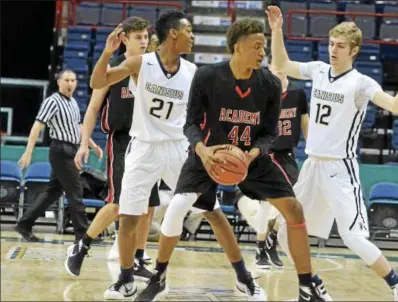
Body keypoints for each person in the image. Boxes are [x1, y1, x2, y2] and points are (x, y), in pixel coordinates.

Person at [137, 18, 330, 302]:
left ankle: (305, 287)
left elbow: (269, 133)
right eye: (257, 46)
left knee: (294, 210)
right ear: (237, 47)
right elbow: (190, 124)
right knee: (177, 206)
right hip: (210, 154)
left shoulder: (270, 84)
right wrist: (202, 151)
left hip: (251, 157)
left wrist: (253, 153)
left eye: (264, 46)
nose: (263, 52)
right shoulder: (207, 77)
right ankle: (159, 277)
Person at [267, 5, 398, 301]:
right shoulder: (319, 71)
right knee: (287, 230)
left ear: (354, 51)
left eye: (340, 46)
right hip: (312, 166)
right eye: (331, 44)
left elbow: (395, 106)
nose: (333, 50)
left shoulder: (361, 83)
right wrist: (276, 30)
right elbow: (282, 63)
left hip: (340, 169)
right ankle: (313, 286)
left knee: (353, 237)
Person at [89, 11, 197, 300]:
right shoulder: (140, 63)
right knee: (128, 216)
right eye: (188, 29)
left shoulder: (192, 72)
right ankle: (125, 279)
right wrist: (107, 52)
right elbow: (98, 82)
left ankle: (242, 275)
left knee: (207, 208)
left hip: (176, 146)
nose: (193, 34)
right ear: (172, 34)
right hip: (143, 145)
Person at [64, 17, 158, 281]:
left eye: (145, 37)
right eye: (137, 37)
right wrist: (84, 142)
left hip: (149, 142)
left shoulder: (153, 68)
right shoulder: (114, 67)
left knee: (148, 206)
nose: (143, 41)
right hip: (122, 141)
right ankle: (81, 247)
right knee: (119, 204)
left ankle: (139, 258)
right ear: (124, 38)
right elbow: (93, 107)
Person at [234, 62, 310, 269]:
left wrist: (311, 145)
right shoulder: (260, 92)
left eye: (280, 67)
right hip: (265, 153)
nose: (277, 72)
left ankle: (272, 237)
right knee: (266, 204)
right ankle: (260, 248)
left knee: (295, 201)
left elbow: (305, 123)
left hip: (287, 155)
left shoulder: (298, 94)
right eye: (274, 68)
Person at [13, 69, 102, 243]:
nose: (70, 83)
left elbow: (79, 128)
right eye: (67, 80)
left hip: (72, 149)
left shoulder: (74, 102)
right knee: (76, 190)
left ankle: (24, 223)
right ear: (59, 82)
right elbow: (37, 126)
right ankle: (83, 234)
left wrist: (94, 145)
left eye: (73, 80)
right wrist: (28, 151)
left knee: (52, 192)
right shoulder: (52, 101)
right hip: (60, 150)